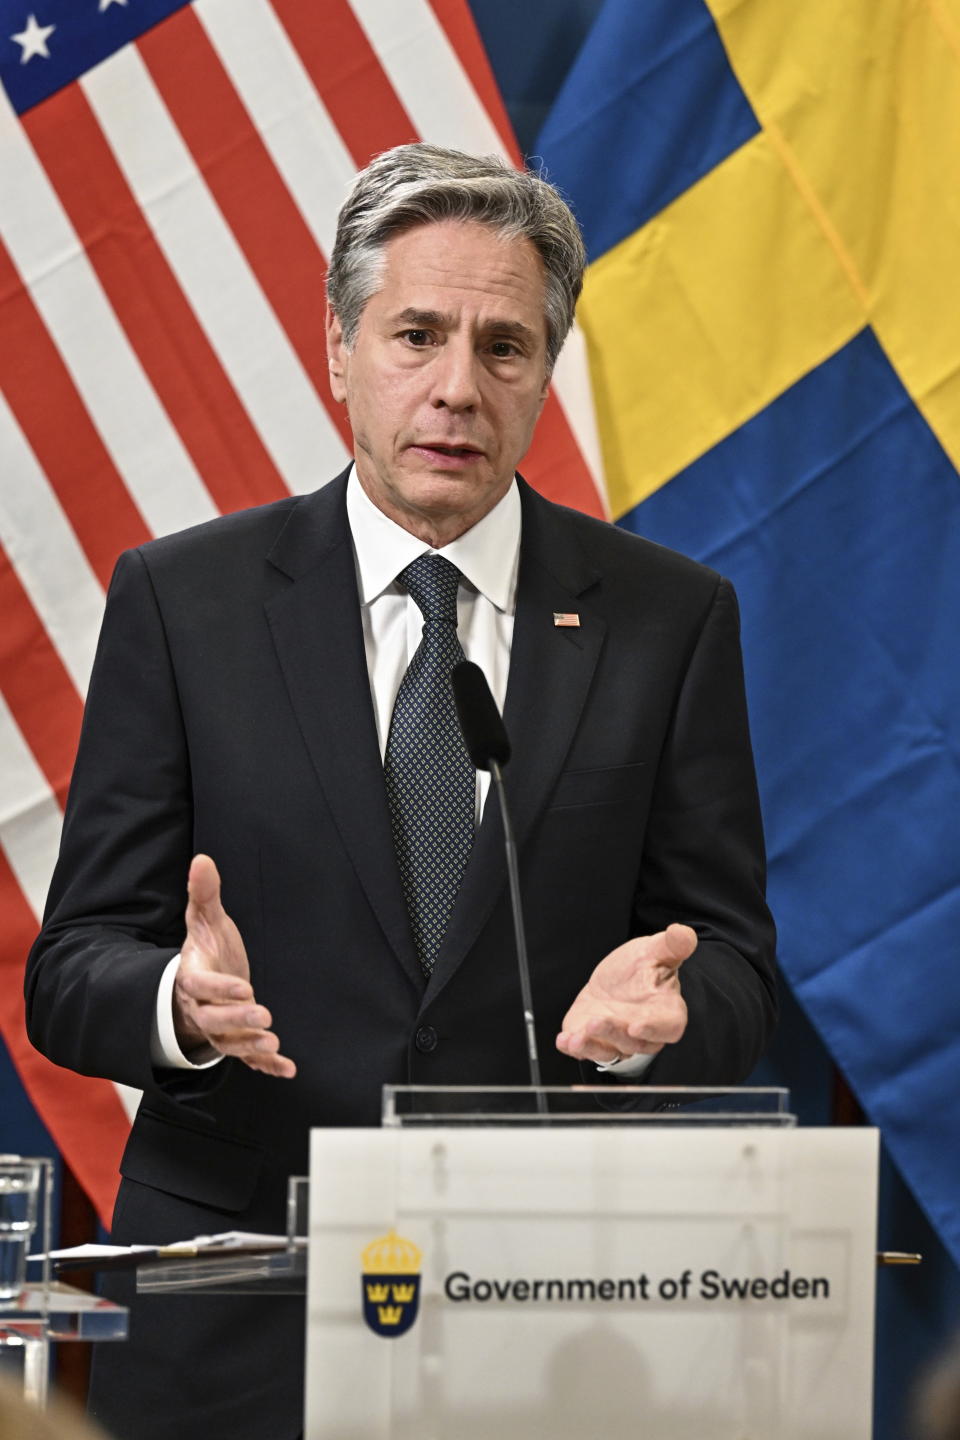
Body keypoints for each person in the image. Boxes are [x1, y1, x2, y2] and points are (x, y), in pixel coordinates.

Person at [25, 143, 777, 1439]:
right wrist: (179, 1005)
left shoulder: (669, 620)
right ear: (338, 350)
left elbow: (736, 970)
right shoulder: (183, 603)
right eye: (417, 334)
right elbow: (70, 968)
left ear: (547, 370)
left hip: (546, 1308)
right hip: (236, 1305)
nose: (456, 387)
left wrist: (665, 1013)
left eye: (504, 347)